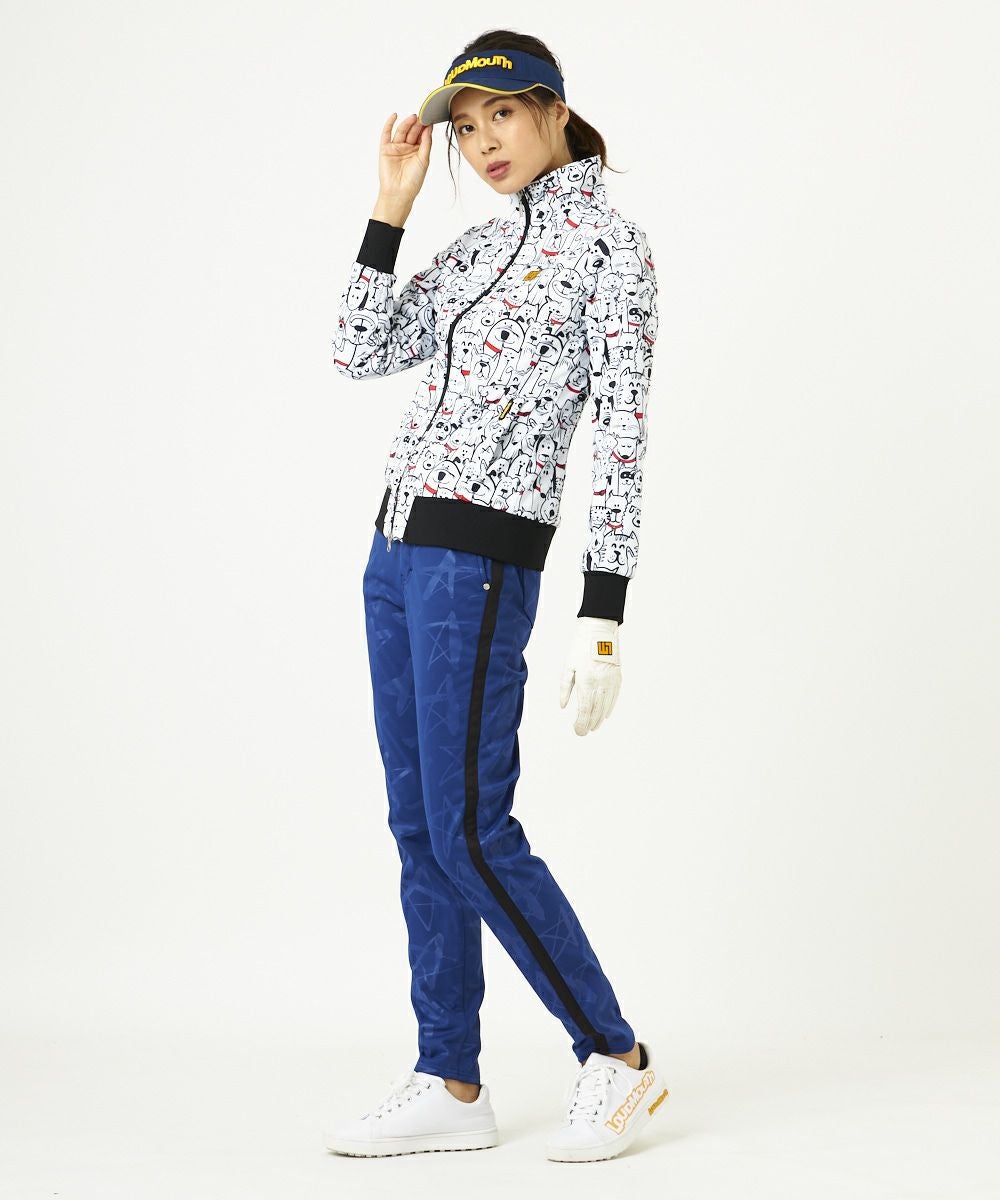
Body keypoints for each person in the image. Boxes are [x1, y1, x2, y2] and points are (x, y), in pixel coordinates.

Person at [325, 31, 665, 1163]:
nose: (481, 144)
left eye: (501, 117)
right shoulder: (475, 245)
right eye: (465, 129)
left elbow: (621, 434)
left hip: (478, 562)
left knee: (472, 829)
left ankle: (616, 1058)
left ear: (554, 112)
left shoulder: (610, 249)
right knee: (420, 827)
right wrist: (392, 204)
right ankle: (450, 1076)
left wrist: (602, 609)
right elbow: (356, 350)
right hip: (395, 553)